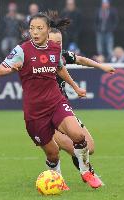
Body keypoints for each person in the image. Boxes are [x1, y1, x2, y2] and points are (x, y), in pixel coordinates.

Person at [0, 12, 103, 189]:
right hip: (35, 112)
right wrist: (11, 69)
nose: (35, 32)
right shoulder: (21, 50)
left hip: (56, 102)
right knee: (53, 154)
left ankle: (86, 171)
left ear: (47, 30)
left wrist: (75, 87)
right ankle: (57, 179)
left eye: (39, 28)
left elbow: (60, 69)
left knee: (78, 135)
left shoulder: (54, 48)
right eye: (32, 28)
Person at [47, 11, 115, 176]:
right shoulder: (38, 60)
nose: (57, 46)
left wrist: (102, 66)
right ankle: (85, 172)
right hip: (46, 113)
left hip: (63, 110)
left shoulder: (62, 57)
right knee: (71, 147)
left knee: (89, 148)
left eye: (59, 42)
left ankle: (81, 167)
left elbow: (81, 60)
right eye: (53, 42)